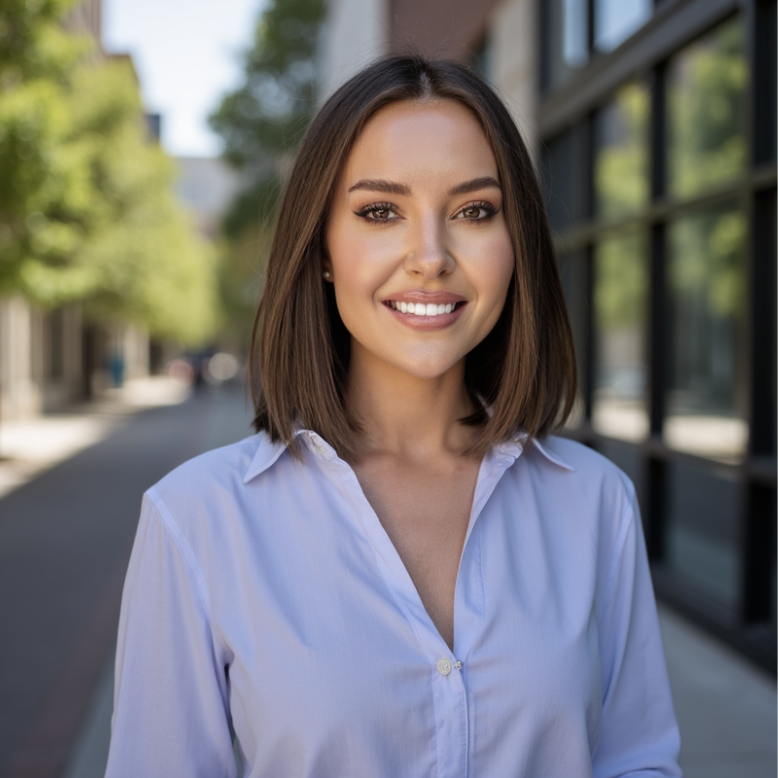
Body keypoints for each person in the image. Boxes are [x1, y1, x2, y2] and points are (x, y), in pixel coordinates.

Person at [105, 56, 681, 777]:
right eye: (381, 212)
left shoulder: (595, 503)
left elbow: (638, 760)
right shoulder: (195, 520)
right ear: (321, 248)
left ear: (516, 245)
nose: (431, 258)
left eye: (475, 211)